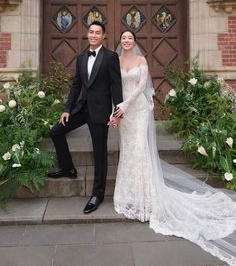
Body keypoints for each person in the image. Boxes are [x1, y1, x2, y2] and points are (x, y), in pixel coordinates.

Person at [110, 30, 236, 266]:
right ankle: (130, 195)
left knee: (139, 150)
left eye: (130, 38)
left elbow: (141, 86)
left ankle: (146, 198)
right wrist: (116, 108)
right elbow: (114, 85)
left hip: (137, 109)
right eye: (123, 38)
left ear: (134, 41)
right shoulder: (115, 61)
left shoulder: (141, 60)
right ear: (120, 41)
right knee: (128, 151)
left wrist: (127, 103)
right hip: (122, 111)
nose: (126, 41)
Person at [48, 21, 123, 214]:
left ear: (104, 36)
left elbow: (116, 87)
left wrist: (117, 114)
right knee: (56, 131)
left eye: (98, 33)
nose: (94, 35)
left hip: (100, 112)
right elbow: (76, 86)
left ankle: (97, 194)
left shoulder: (111, 57)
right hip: (82, 109)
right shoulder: (81, 57)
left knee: (99, 153)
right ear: (87, 34)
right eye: (91, 32)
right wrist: (67, 109)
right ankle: (67, 168)